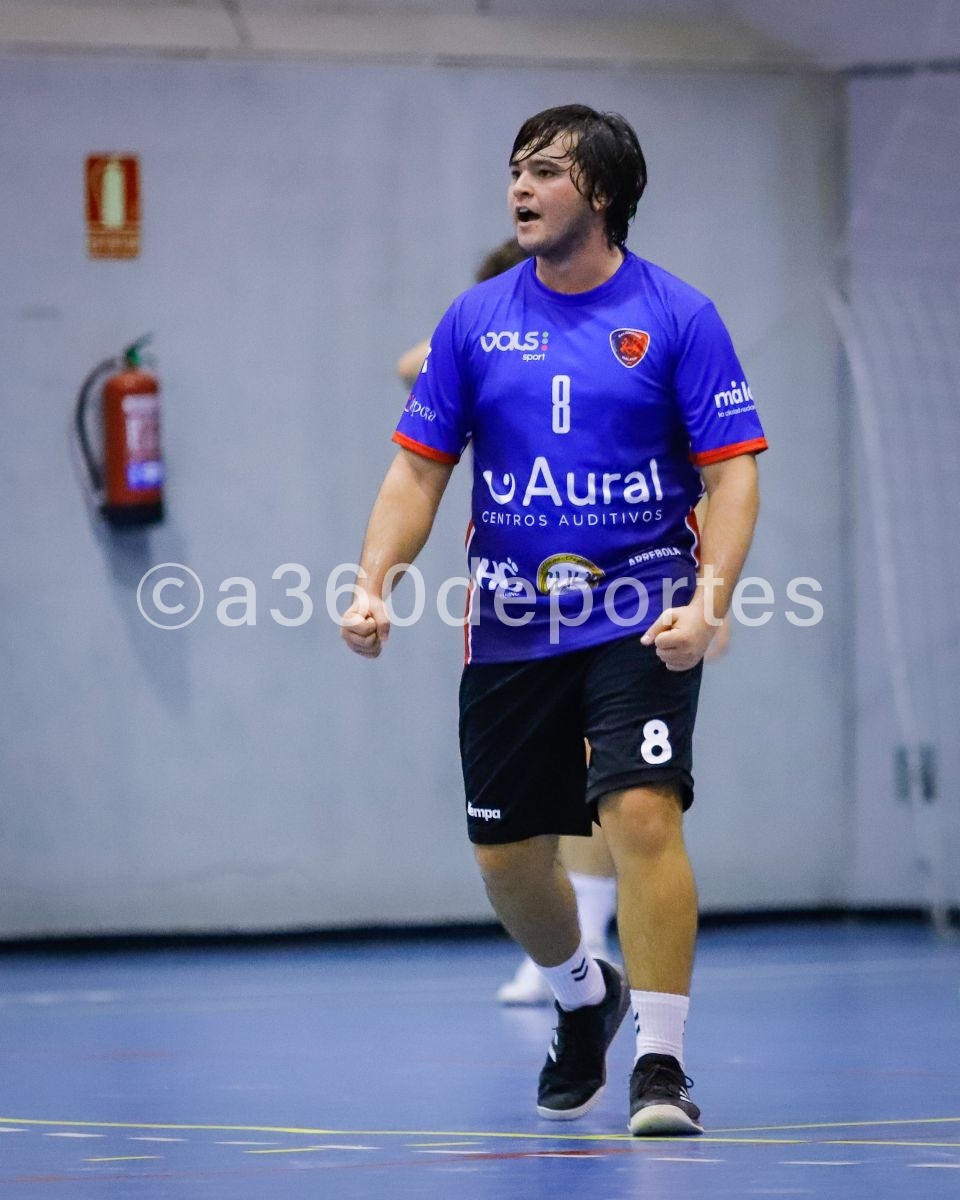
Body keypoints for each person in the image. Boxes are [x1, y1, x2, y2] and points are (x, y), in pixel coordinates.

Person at [343, 104, 766, 1136]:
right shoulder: (474, 320)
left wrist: (709, 600)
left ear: (603, 193)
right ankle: (585, 994)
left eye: (544, 172)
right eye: (515, 170)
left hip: (640, 608)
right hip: (512, 622)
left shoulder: (679, 316)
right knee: (504, 856)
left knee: (640, 812)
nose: (519, 189)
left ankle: (661, 1065)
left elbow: (733, 472)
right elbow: (417, 468)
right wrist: (373, 577)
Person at [396, 239, 621, 1007]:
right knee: (523, 814)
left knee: (609, 781)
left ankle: (589, 938)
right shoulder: (481, 343)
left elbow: (671, 475)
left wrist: (710, 595)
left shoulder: (605, 366)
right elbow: (413, 365)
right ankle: (570, 947)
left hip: (619, 605)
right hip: (518, 614)